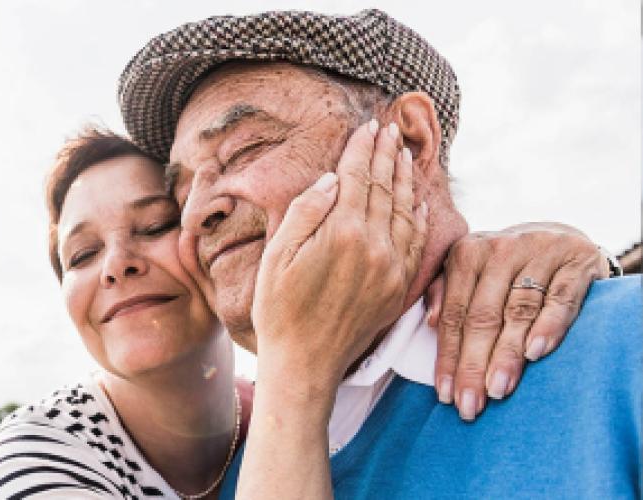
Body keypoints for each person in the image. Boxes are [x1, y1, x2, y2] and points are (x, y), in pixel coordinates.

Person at [116, 8, 641, 498]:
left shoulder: (622, 347)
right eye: (180, 194)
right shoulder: (223, 480)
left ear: (410, 141)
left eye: (244, 149)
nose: (197, 213)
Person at [0, 126, 613, 498]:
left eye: (154, 226)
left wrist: (546, 252)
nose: (117, 265)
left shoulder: (309, 407)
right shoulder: (43, 449)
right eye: (82, 254)